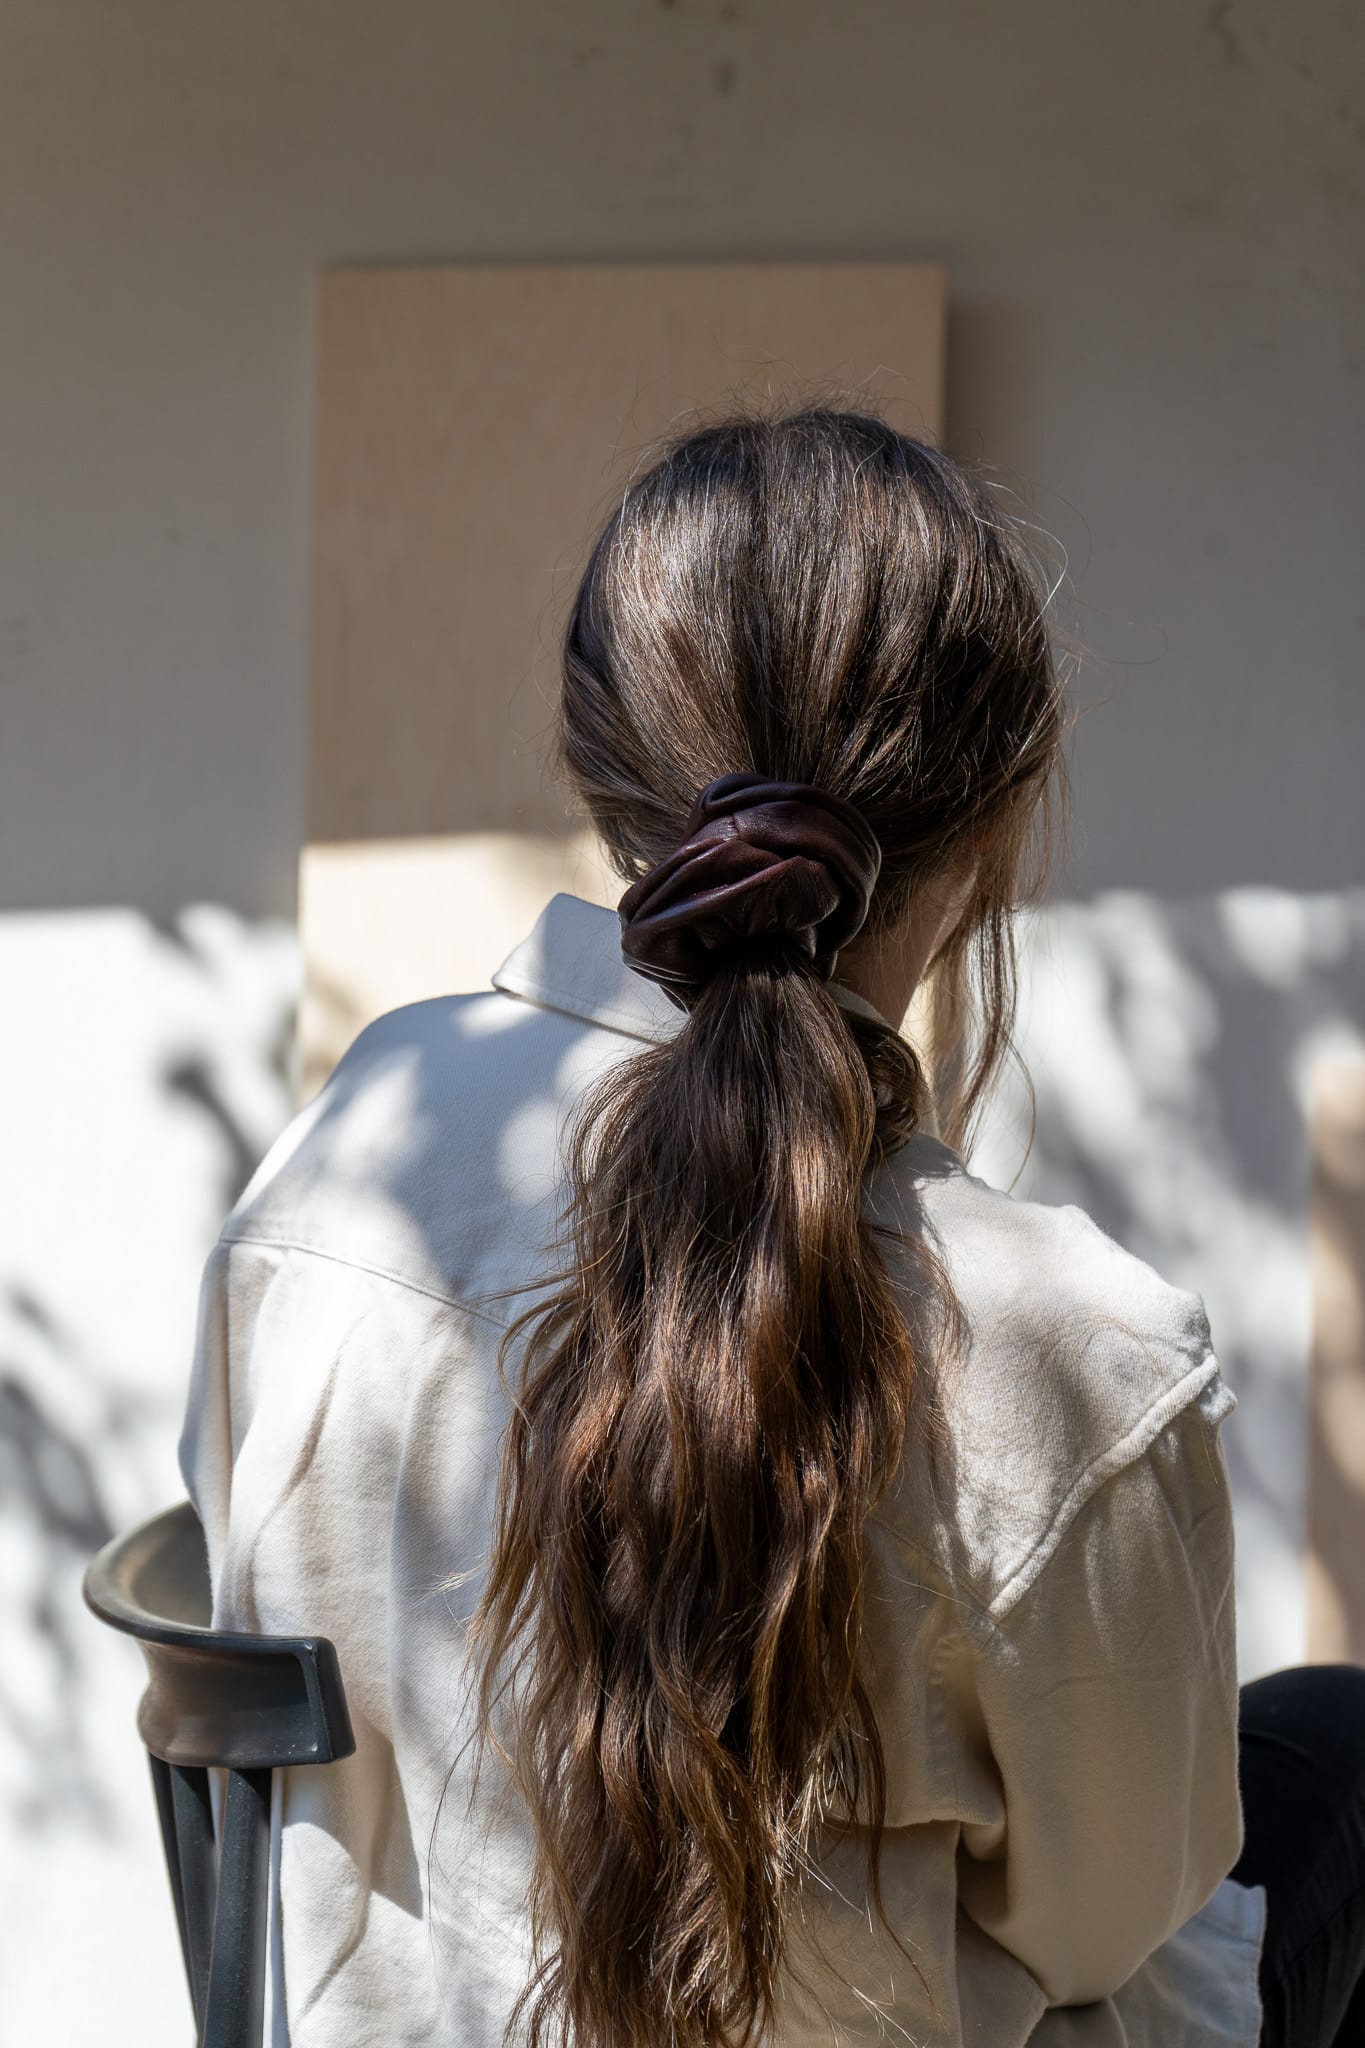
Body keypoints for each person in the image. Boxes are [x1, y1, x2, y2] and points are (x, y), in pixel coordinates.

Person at [180, 409, 1364, 2047]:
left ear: (601, 775)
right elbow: (1113, 1927)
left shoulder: (349, 1149)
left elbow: (250, 1606)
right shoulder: (1073, 1351)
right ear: (998, 829)